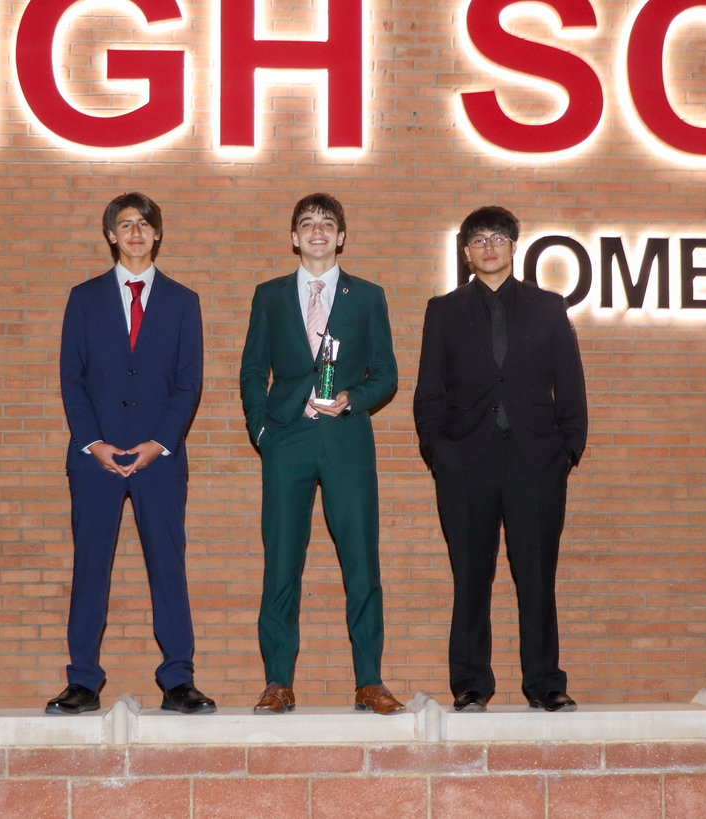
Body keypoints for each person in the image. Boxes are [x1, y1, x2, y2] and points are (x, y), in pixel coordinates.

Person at [413, 206, 588, 713]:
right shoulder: (443, 310)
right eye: (478, 240)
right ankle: (471, 684)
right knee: (470, 577)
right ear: (466, 253)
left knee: (537, 577)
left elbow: (570, 383)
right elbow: (429, 391)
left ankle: (545, 683)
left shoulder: (548, 306)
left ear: (514, 246)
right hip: (466, 461)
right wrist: (438, 450)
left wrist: (567, 448)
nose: (488, 246)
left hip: (537, 460)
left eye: (497, 238)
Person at [47, 192, 215, 715]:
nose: (136, 232)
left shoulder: (183, 301)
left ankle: (178, 679)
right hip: (93, 457)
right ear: (111, 235)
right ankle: (82, 681)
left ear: (157, 234)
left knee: (168, 566)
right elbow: (71, 378)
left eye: (144, 224)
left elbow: (188, 383)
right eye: (125, 224)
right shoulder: (84, 298)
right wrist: (93, 442)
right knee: (90, 567)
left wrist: (159, 443)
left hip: (159, 457)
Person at [239, 193, 404, 715]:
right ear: (294, 237)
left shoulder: (367, 296)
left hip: (345, 439)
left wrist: (353, 397)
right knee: (281, 563)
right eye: (307, 223)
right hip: (286, 439)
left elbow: (387, 373)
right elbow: (252, 370)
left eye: (327, 224)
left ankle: (369, 682)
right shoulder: (269, 295)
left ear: (341, 237)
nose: (317, 231)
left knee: (361, 563)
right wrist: (261, 431)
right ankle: (278, 682)